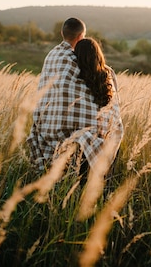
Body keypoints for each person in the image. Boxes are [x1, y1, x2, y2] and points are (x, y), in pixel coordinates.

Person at [26, 17, 98, 173]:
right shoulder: (76, 60)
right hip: (66, 132)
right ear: (81, 36)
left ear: (62, 33)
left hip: (45, 127)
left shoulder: (51, 56)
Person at [67, 37, 123, 179]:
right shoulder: (108, 74)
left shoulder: (74, 77)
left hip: (83, 142)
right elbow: (117, 103)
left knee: (80, 183)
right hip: (108, 136)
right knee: (103, 183)